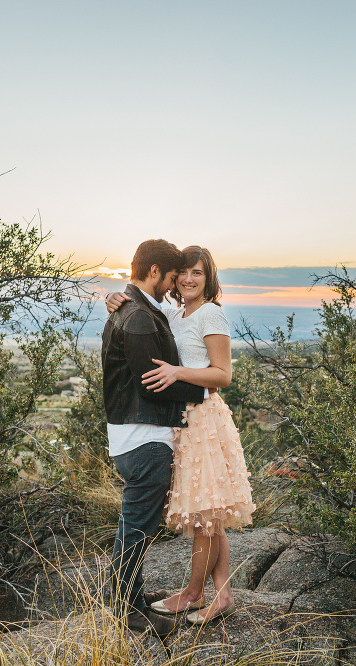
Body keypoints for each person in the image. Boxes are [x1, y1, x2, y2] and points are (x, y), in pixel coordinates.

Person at [106, 245, 255, 625]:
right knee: (209, 510)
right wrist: (115, 299)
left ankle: (194, 593)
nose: (188, 279)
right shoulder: (172, 312)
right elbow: (141, 316)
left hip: (202, 419)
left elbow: (222, 375)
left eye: (197, 274)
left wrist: (177, 372)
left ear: (209, 278)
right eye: (183, 272)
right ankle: (219, 595)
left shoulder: (211, 313)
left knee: (207, 510)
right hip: (178, 418)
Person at [102, 239, 207, 637]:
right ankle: (124, 609)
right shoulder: (140, 317)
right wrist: (204, 392)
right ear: (152, 272)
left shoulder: (138, 308)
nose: (173, 285)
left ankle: (131, 596)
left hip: (135, 434)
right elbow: (151, 386)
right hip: (143, 438)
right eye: (169, 277)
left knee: (137, 525)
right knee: (137, 528)